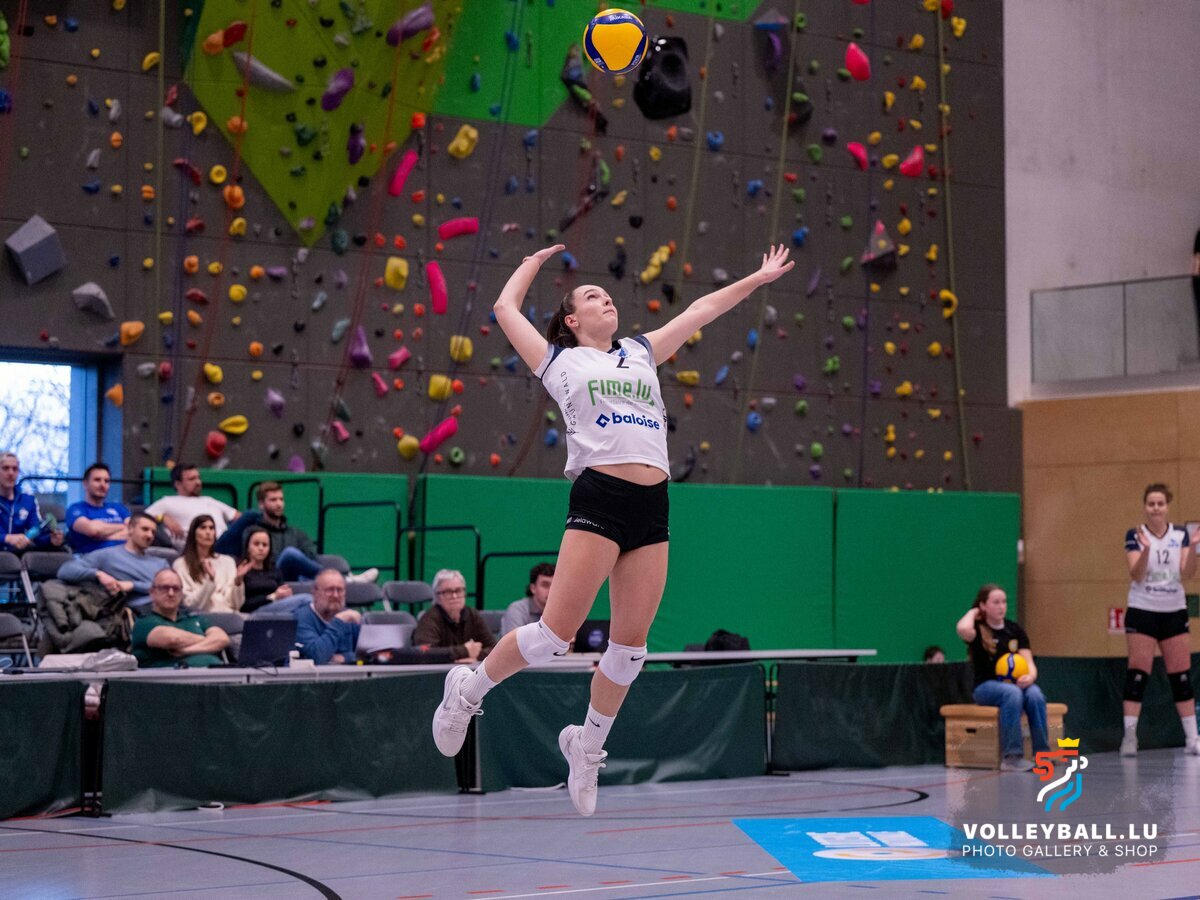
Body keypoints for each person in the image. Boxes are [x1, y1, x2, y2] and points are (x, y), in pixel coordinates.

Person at [431, 242, 794, 816]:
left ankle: (586, 745)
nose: (607, 300)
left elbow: (701, 310)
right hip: (600, 494)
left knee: (630, 650)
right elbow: (504, 308)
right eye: (593, 296)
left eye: (607, 295)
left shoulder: (640, 352)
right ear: (572, 320)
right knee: (554, 636)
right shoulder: (559, 361)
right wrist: (531, 262)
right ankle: (466, 690)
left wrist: (757, 276)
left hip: (653, 503)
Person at [1120, 483, 1199, 756]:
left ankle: (1192, 738)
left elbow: (1188, 573)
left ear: (1167, 507)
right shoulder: (1135, 534)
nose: (1155, 508)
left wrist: (1195, 548)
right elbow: (1136, 574)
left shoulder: (1180, 534)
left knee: (1181, 675)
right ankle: (1130, 737)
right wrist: (1145, 551)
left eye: (1160, 504)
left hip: (1173, 610)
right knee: (1138, 672)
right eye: (1151, 504)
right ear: (1145, 507)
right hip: (1143, 609)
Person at [955, 584, 1049, 772]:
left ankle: (1043, 754)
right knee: (1012, 693)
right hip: (985, 687)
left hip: (1015, 684)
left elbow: (1029, 661)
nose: (1001, 606)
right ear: (984, 605)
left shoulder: (1014, 630)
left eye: (1004, 602)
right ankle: (1011, 757)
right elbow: (962, 628)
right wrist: (974, 612)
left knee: (1035, 694)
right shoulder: (978, 629)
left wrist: (1030, 676)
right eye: (996, 602)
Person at [214, 481, 377, 584]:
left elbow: (311, 556)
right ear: (262, 504)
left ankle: (339, 580)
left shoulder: (296, 533)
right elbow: (250, 558)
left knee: (299, 565)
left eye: (281, 499)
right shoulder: (252, 532)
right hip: (267, 578)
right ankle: (344, 580)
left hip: (296, 579)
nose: (279, 504)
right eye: (273, 500)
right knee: (290, 554)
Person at [57, 512, 167, 611]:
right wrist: (98, 574)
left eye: (153, 532)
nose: (150, 535)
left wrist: (132, 585)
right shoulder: (108, 555)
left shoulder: (161, 563)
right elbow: (65, 570)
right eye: (145, 529)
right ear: (130, 529)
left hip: (169, 610)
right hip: (138, 614)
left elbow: (169, 589)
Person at [131, 568, 230, 668]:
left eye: (176, 588)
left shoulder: (196, 619)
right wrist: (208, 640)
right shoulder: (144, 623)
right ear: (152, 592)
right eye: (165, 588)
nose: (171, 593)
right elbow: (173, 639)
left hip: (219, 673)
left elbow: (222, 639)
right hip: (172, 676)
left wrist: (186, 650)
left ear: (182, 593)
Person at [145, 463, 240, 548]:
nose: (198, 482)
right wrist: (163, 518)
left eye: (198, 478)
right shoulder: (168, 502)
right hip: (201, 546)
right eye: (192, 479)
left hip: (228, 543)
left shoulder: (209, 500)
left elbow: (237, 516)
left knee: (248, 517)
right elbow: (141, 517)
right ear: (178, 484)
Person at [412, 569, 496, 662]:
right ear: (437, 596)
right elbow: (424, 652)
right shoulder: (429, 619)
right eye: (448, 592)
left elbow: (494, 648)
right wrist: (464, 651)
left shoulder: (473, 615)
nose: (454, 596)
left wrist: (476, 657)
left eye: (459, 590)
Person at [172, 515, 242, 614]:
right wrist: (210, 581)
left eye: (211, 528)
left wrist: (238, 582)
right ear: (193, 533)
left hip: (228, 614)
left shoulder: (228, 561)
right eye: (203, 528)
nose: (208, 532)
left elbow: (236, 605)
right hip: (199, 616)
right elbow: (189, 604)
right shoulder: (180, 564)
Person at [294, 569, 362, 665]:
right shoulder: (300, 618)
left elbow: (369, 654)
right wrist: (339, 621)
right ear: (314, 592)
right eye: (329, 590)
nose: (335, 595)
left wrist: (346, 657)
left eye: (340, 590)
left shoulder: (350, 617)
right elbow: (317, 657)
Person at [1, 451, 64, 553]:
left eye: (15, 469)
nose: (11, 473)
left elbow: (36, 533)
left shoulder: (28, 500)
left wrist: (51, 540)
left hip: (18, 554)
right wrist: (6, 538)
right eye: (5, 468)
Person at [65, 463, 130, 554]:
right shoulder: (76, 509)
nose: (103, 485)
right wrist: (123, 527)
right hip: (93, 557)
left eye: (106, 481)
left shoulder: (119, 508)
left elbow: (134, 531)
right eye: (97, 480)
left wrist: (102, 535)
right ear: (85, 483)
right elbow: (93, 530)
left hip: (126, 555)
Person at [499, 562, 555, 636]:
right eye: (545, 585)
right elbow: (514, 643)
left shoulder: (562, 610)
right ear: (533, 588)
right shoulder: (517, 609)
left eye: (555, 586)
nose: (551, 590)